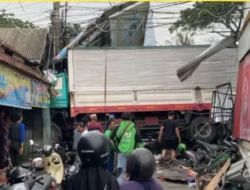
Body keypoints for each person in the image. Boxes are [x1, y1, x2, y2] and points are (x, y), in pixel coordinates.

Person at [112, 112, 136, 185]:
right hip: (131, 151)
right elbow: (138, 140)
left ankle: (120, 186)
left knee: (121, 169)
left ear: (122, 119)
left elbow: (112, 137)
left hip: (121, 150)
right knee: (131, 169)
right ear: (130, 118)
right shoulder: (134, 127)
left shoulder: (119, 126)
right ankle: (130, 184)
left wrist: (116, 145)